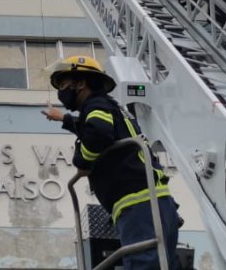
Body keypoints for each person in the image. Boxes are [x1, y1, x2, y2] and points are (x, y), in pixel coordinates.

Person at [43, 56, 180, 270]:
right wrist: (64, 120)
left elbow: (98, 136)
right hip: (156, 202)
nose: (61, 92)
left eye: (63, 85)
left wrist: (82, 161)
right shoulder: (110, 108)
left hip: (137, 203)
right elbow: (92, 129)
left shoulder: (95, 104)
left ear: (80, 83)